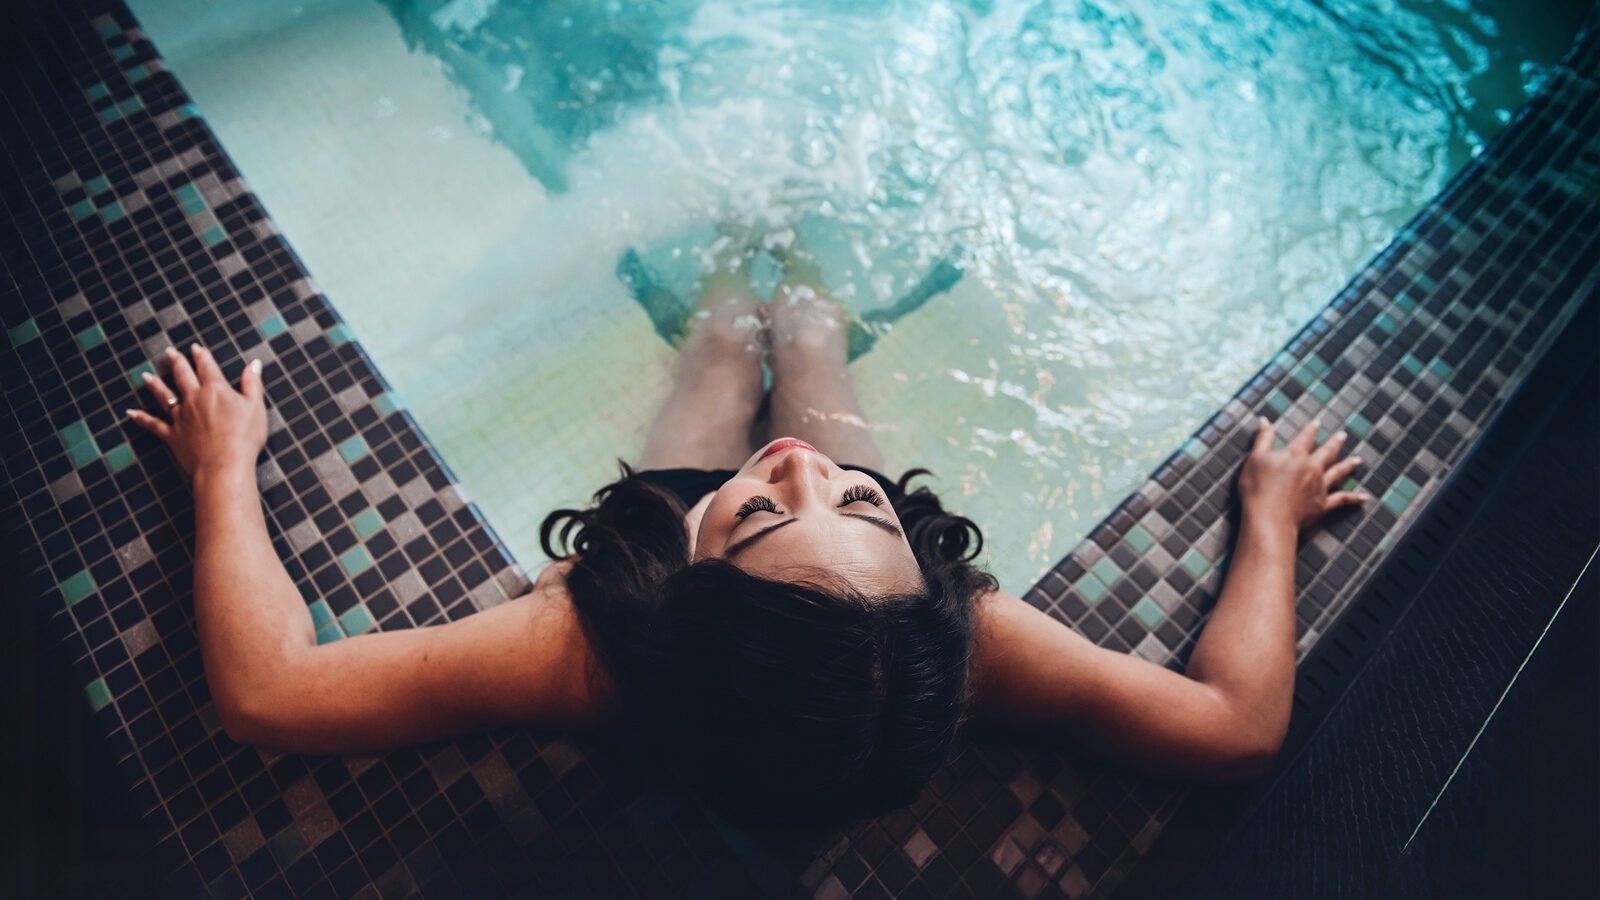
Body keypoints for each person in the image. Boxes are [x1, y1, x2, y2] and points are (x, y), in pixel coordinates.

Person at [126, 233, 1369, 828]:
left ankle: (737, 318)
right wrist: (1266, 528)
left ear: (689, 583)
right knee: (803, 337)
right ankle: (787, 312)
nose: (798, 465)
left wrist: (224, 470)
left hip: (680, 530)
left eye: (789, 503)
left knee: (735, 344)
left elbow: (268, 694)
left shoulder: (587, 646)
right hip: (796, 569)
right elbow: (1235, 730)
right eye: (840, 494)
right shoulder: (948, 636)